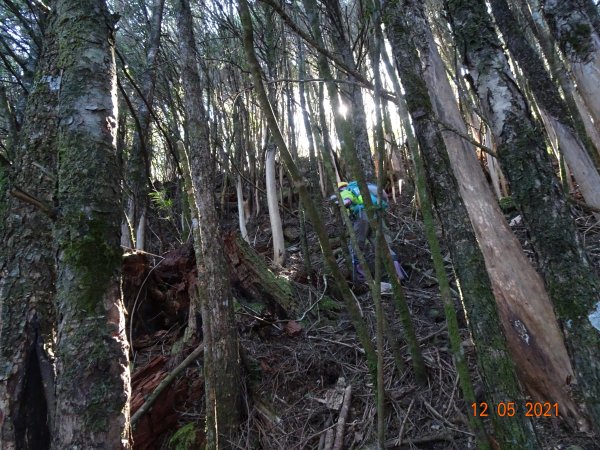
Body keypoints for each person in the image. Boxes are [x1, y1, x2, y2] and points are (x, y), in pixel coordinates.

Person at [336, 181, 407, 291]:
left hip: (361, 217)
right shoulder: (361, 189)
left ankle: (362, 279)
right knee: (382, 245)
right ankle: (398, 275)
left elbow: (347, 200)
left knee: (356, 247)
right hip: (374, 215)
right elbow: (383, 197)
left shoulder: (345, 191)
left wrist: (341, 203)